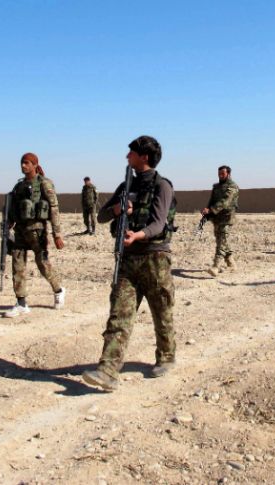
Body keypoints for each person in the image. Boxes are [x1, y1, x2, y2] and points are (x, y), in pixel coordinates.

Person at [82, 136, 177, 391]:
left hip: (155, 259)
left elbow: (158, 223)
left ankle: (166, 356)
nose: (127, 157)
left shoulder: (162, 186)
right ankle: (108, 370)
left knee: (162, 313)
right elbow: (101, 216)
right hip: (127, 260)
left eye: (131, 153)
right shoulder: (126, 185)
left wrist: (138, 235)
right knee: (119, 315)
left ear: (144, 156)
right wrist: (118, 210)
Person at [3, 152, 66, 317]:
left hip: (38, 232)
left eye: (26, 163)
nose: (23, 166)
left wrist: (57, 234)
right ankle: (21, 303)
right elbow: (14, 208)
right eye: (22, 163)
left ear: (35, 165)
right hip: (20, 231)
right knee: (17, 265)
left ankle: (58, 290)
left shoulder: (44, 183)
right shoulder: (19, 186)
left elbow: (54, 209)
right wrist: (9, 223)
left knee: (43, 264)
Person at [200, 165, 240, 276]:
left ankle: (216, 266)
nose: (220, 176)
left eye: (223, 174)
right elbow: (212, 201)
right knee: (221, 240)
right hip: (216, 218)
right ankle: (231, 262)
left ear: (228, 174)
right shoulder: (216, 187)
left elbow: (225, 202)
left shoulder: (232, 187)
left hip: (227, 218)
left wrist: (212, 210)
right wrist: (207, 212)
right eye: (219, 174)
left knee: (221, 241)